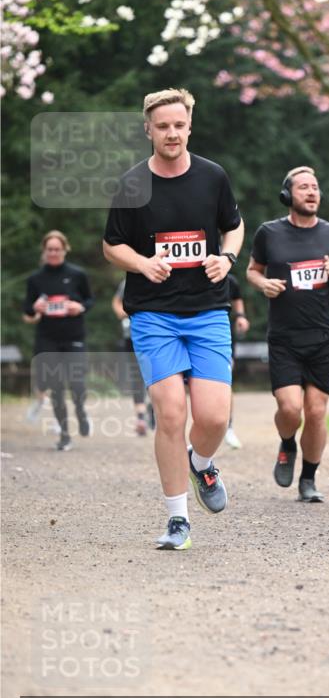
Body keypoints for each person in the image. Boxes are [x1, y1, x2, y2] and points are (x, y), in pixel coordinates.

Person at [103, 88, 244, 551]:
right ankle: (177, 519)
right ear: (148, 130)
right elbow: (111, 246)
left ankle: (201, 463)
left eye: (178, 125)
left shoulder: (213, 176)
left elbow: (234, 225)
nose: (171, 133)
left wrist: (226, 257)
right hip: (154, 315)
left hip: (207, 311)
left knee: (214, 418)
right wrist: (144, 264)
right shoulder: (131, 185)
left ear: (189, 126)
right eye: (162, 126)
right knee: (170, 412)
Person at [246, 166, 329, 501]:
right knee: (291, 409)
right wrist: (264, 283)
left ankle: (308, 479)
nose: (311, 193)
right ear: (288, 195)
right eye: (303, 188)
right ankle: (286, 444)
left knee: (316, 411)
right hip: (284, 337)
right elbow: (252, 271)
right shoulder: (269, 233)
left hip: (321, 336)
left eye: (315, 187)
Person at [23, 231, 94, 451]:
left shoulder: (77, 274)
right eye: (49, 249)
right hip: (48, 339)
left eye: (57, 249)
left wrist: (79, 307)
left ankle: (81, 411)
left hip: (74, 337)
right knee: (56, 388)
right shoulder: (35, 279)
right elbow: (27, 308)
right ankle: (64, 434)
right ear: (44, 251)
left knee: (77, 385)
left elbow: (90, 300)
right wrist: (35, 307)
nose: (53, 253)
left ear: (65, 249)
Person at [112, 278, 154, 435]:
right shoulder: (128, 281)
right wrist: (122, 313)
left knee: (156, 374)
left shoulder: (162, 275)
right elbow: (116, 301)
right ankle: (141, 418)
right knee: (137, 375)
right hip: (131, 336)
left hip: (154, 335)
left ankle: (153, 408)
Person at [223, 273, 250, 449]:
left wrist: (241, 316)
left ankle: (229, 427)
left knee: (225, 380)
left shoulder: (229, 279)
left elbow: (237, 298)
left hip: (221, 335)